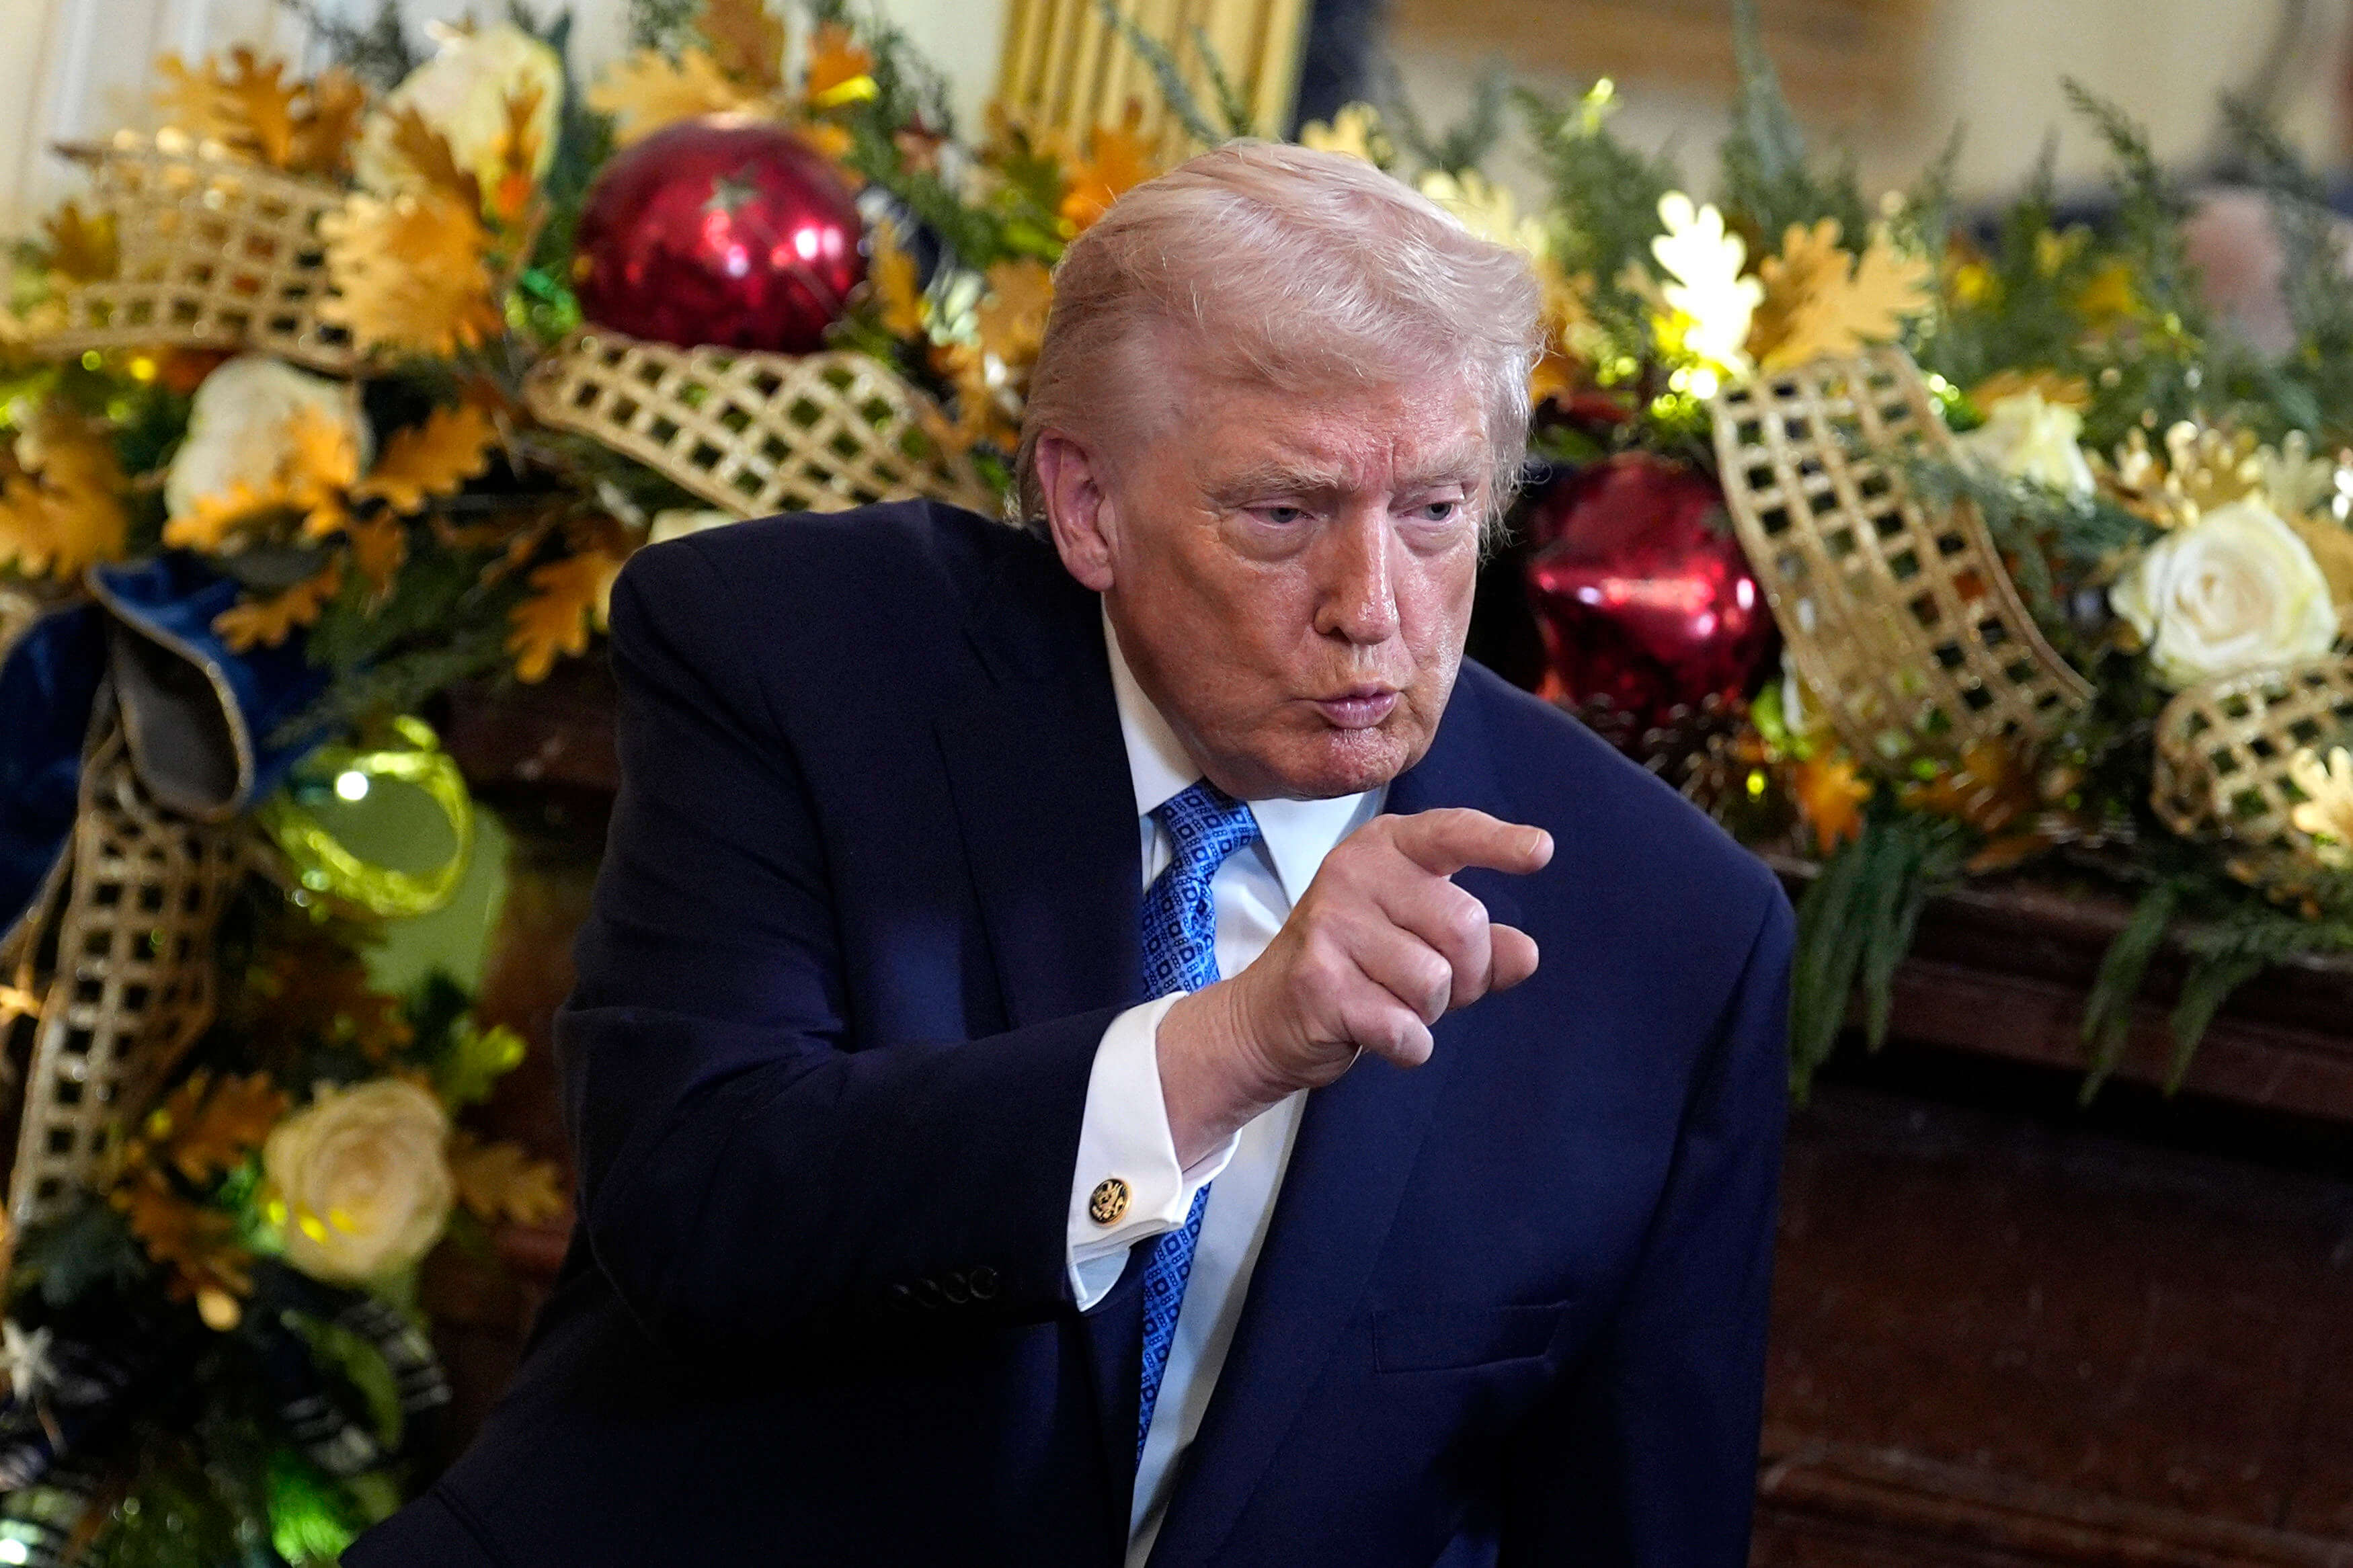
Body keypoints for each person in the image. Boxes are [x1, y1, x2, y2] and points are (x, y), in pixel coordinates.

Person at [348, 140, 1792, 1568]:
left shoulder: (1667, 927)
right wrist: (1229, 1048)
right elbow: (700, 1206)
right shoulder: (803, 660)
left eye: (1435, 512)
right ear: (1087, 506)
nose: (1373, 609)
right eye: (1282, 515)